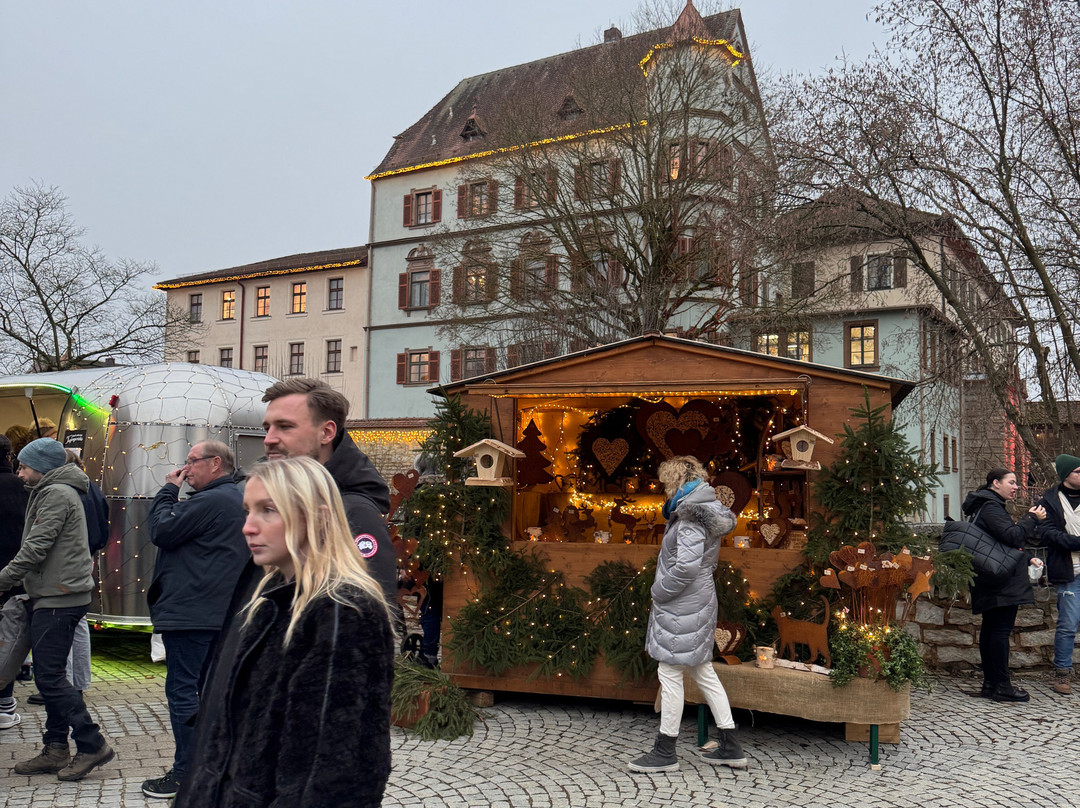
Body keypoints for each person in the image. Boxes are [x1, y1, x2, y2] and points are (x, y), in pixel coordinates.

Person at [177, 456, 394, 807]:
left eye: (268, 510)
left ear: (317, 517)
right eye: (248, 511)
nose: (248, 527)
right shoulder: (272, 598)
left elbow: (332, 770)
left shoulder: (342, 612)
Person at [0, 438, 114, 780]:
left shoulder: (56, 493)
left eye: (24, 467)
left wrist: (3, 579)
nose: (19, 473)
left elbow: (36, 547)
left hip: (59, 597)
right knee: (52, 676)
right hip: (55, 593)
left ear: (41, 467)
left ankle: (92, 744)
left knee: (49, 677)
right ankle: (55, 749)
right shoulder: (53, 490)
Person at [140, 440, 249, 799]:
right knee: (207, 692)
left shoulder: (211, 500)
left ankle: (187, 773)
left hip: (193, 614)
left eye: (191, 462)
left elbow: (161, 530)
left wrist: (167, 491)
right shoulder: (231, 498)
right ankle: (211, 767)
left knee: (184, 692)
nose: (184, 470)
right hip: (214, 613)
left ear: (215, 463)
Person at [630, 456, 747, 773]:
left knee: (669, 673)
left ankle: (665, 751)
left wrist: (659, 590)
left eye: (666, 484)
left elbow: (686, 567)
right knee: (702, 671)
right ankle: (731, 745)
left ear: (677, 482)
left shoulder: (690, 516)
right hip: (696, 600)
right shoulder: (703, 509)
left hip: (683, 603)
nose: (665, 490)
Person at [962, 468, 1045, 702]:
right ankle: (1002, 686)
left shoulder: (986, 505)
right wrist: (1031, 518)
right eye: (1012, 482)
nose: (1016, 487)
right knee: (998, 632)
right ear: (995, 483)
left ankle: (991, 684)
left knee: (991, 630)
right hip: (1000, 580)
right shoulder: (991, 507)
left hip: (991, 577)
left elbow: (997, 543)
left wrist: (1027, 557)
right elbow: (1012, 536)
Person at [1035, 454, 1080, 695]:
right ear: (1065, 475)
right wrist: (1077, 543)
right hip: (1069, 571)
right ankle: (1062, 673)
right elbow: (1048, 534)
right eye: (1078, 472)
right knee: (1067, 625)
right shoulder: (1050, 501)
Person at [0, 435, 29, 730]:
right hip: (16, 574)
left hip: (10, 574)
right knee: (7, 640)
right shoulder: (25, 487)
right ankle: (4, 703)